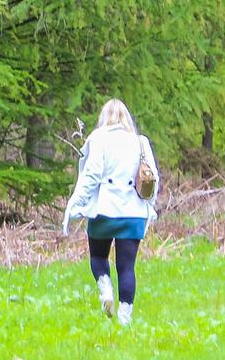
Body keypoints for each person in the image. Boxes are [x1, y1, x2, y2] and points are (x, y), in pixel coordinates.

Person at [62, 98, 159, 325]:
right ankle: (124, 318)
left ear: (104, 117)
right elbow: (152, 178)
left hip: (105, 211)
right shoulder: (140, 142)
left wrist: (75, 204)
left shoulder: (99, 139)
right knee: (127, 267)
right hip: (133, 213)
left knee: (98, 256)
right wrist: (150, 207)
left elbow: (91, 175)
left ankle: (106, 290)